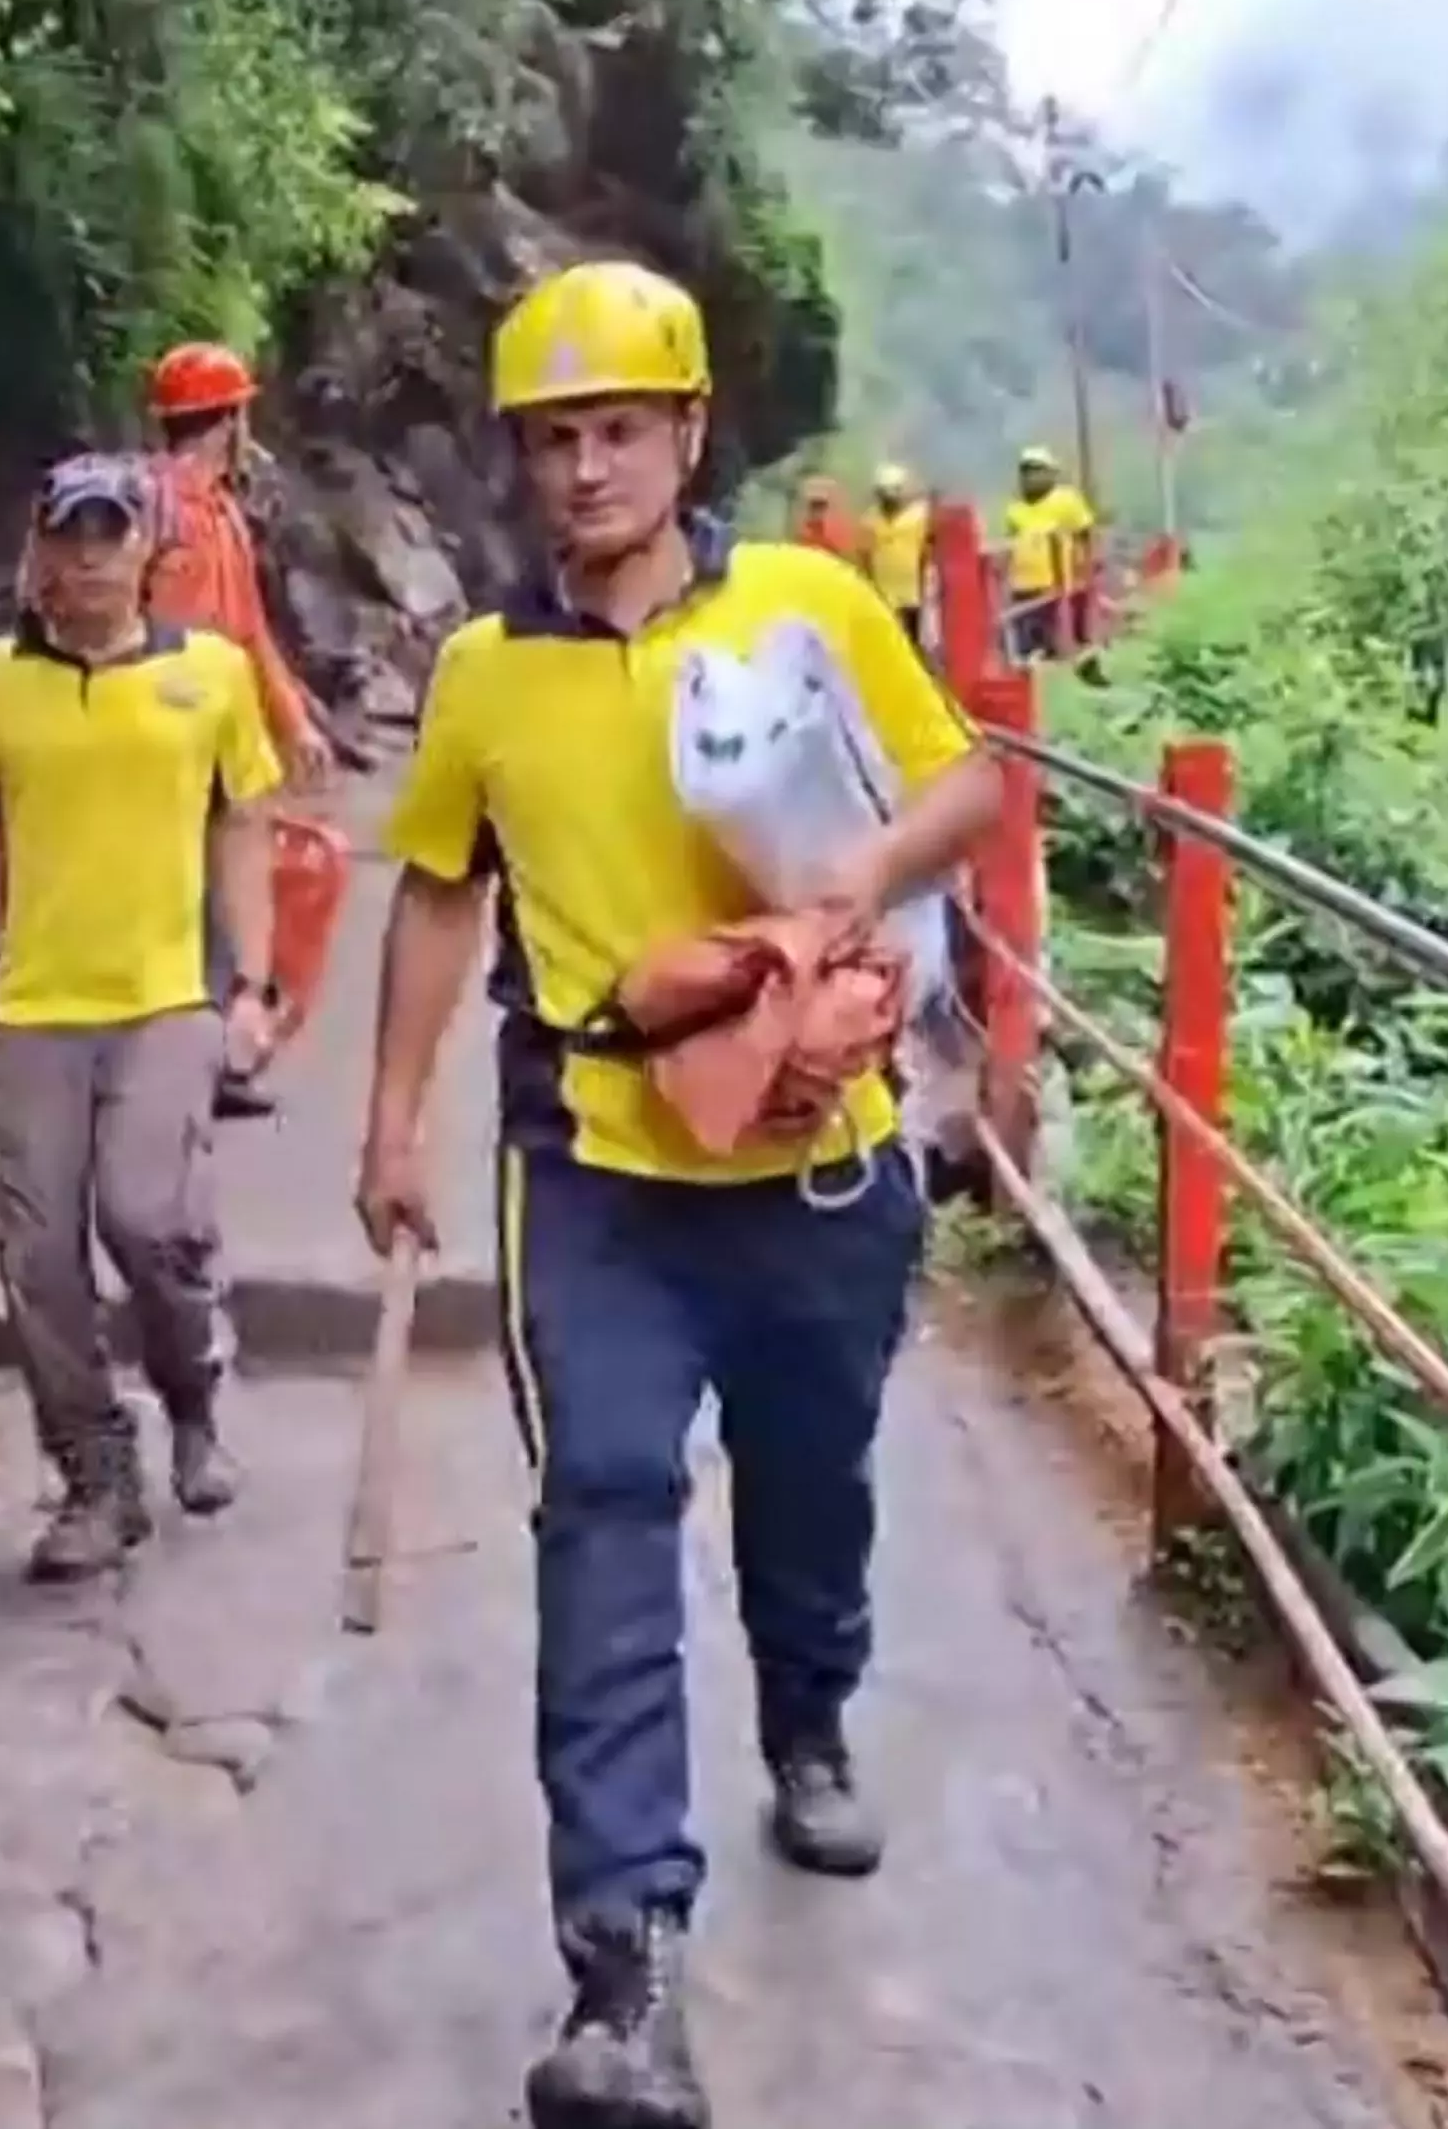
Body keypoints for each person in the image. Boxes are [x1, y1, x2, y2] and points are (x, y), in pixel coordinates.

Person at [348, 264, 999, 2129]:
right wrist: (390, 1127)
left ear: (690, 431)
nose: (582, 471)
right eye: (551, 441)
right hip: (597, 1173)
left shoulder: (807, 603)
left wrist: (846, 882)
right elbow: (433, 894)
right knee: (608, 1516)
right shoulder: (483, 678)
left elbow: (968, 791)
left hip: (816, 1161)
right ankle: (625, 1974)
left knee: (810, 1486)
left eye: (615, 429)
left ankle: (808, 1705)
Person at [0, 454, 287, 1579]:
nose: (88, 557)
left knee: (147, 1217)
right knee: (35, 1253)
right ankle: (94, 1473)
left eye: (110, 533)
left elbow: (245, 826)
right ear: (37, 548)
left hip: (166, 996)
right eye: (68, 534)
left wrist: (256, 985)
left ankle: (193, 1390)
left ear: (149, 549)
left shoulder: (209, 677)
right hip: (32, 1006)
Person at [141, 341, 334, 1123]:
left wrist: (295, 720)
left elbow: (250, 633)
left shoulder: (217, 513)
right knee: (190, 900)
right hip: (181, 738)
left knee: (221, 899)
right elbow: (173, 635)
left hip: (217, 741)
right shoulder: (170, 515)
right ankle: (183, 1058)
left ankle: (213, 1055)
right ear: (228, 422)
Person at [1001, 443, 1100, 664]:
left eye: (1036, 470)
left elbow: (1086, 534)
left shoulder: (1067, 500)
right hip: (1022, 585)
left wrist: (1086, 568)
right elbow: (1009, 544)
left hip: (1057, 583)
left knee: (1054, 639)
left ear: (1050, 473)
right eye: (1026, 471)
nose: (1030, 476)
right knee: (1025, 639)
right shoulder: (1015, 508)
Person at [863, 462, 935, 654]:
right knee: (886, 648)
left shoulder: (919, 517)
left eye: (893, 492)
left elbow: (931, 546)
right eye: (884, 493)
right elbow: (865, 557)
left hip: (911, 596)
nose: (889, 498)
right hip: (883, 596)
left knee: (912, 648)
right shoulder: (870, 520)